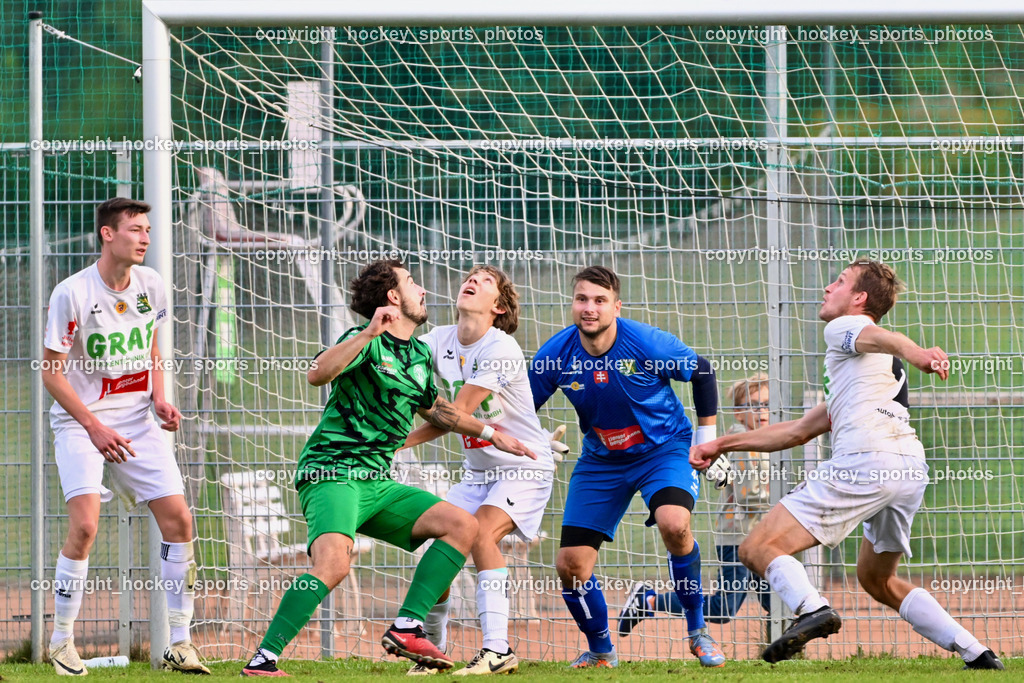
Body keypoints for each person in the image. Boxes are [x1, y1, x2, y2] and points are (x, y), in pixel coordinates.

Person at [690, 260, 1003, 669]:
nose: (827, 287)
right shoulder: (859, 376)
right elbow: (799, 431)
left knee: (756, 547)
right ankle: (977, 653)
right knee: (878, 579)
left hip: (866, 461)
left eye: (838, 282)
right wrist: (724, 443)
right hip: (907, 468)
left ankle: (812, 609)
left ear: (859, 299)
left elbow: (885, 336)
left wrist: (920, 355)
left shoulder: (844, 327)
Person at [241, 260, 535, 677]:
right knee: (335, 563)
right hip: (333, 472)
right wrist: (367, 332)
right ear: (394, 297)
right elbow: (317, 374)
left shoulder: (417, 354)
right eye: (412, 282)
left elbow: (439, 411)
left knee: (463, 526)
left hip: (377, 481)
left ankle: (406, 626)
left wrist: (490, 433)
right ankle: (264, 659)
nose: (423, 289)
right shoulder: (365, 342)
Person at [41, 197, 209, 675]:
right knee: (86, 527)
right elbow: (52, 375)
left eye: (149, 230)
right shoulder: (71, 294)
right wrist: (93, 426)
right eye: (135, 229)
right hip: (81, 420)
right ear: (107, 235)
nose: (146, 238)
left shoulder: (152, 285)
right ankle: (60, 643)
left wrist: (159, 397)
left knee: (179, 521)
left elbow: (152, 346)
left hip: (138, 419)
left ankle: (179, 643)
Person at [529, 265, 726, 669]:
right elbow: (520, 408)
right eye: (582, 299)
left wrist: (707, 443)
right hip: (601, 460)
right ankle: (601, 650)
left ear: (616, 307)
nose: (589, 308)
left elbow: (703, 372)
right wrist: (533, 441)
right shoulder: (555, 355)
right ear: (573, 304)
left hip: (664, 450)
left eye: (600, 301)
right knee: (570, 566)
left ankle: (698, 631)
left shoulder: (648, 344)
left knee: (675, 524)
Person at [402, 265, 557, 676]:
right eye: (470, 275)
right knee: (439, 549)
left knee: (481, 535)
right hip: (477, 473)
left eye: (485, 280)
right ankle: (432, 649)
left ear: (498, 306)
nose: (472, 280)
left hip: (523, 467)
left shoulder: (501, 348)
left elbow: (456, 413)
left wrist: (398, 443)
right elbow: (402, 367)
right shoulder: (437, 341)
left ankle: (497, 650)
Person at [618, 373, 772, 635]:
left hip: (760, 534)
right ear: (737, 413)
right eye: (753, 405)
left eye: (767, 404)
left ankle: (778, 650)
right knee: (724, 607)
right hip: (739, 537)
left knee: (775, 600)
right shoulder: (743, 442)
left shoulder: (760, 439)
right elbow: (749, 497)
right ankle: (648, 601)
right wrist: (783, 500)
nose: (762, 411)